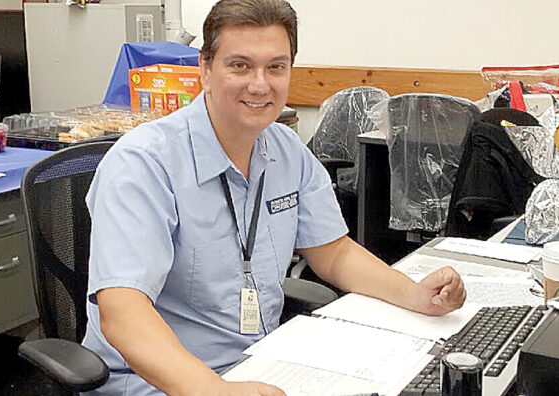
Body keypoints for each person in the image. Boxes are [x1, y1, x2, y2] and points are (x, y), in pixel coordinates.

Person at [82, 0, 467, 395]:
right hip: (160, 383)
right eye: (240, 65)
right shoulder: (143, 163)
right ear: (205, 69)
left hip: (262, 364)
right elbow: (123, 315)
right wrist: (218, 392)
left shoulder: (285, 148)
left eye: (276, 67)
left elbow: (334, 253)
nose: (260, 84)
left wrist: (415, 294)